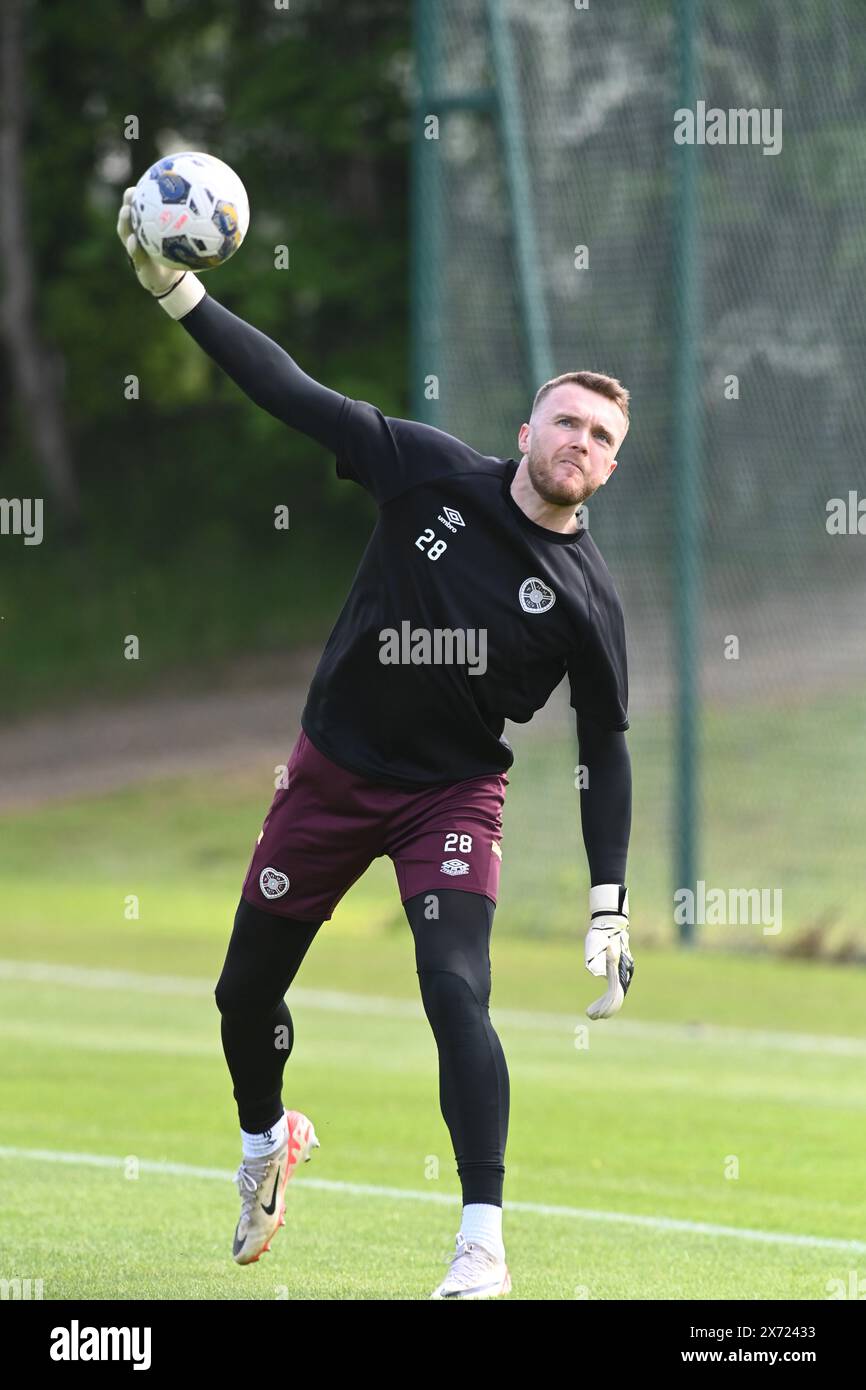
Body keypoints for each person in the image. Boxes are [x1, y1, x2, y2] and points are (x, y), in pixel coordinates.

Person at [117, 189, 635, 1299]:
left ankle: (480, 1245)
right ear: (526, 431)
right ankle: (265, 1143)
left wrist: (607, 899)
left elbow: (605, 743)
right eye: (565, 421)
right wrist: (178, 293)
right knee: (241, 998)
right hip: (330, 773)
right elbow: (291, 392)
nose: (578, 443)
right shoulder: (424, 469)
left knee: (454, 992)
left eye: (599, 435)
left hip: (448, 798)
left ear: (608, 464)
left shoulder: (589, 602)